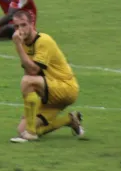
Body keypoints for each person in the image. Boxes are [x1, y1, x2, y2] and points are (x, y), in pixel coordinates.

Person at [9, 10, 84, 143]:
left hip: (66, 88)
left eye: (23, 25)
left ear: (32, 24)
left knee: (27, 81)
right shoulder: (24, 43)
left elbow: (33, 71)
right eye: (16, 26)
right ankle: (69, 119)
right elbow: (29, 73)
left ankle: (31, 134)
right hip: (49, 93)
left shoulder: (43, 40)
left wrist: (18, 46)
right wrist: (30, 109)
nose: (20, 30)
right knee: (22, 129)